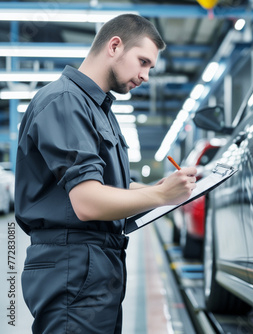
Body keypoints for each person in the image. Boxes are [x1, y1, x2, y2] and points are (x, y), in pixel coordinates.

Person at [15, 14, 197, 334]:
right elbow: (87, 201)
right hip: (72, 265)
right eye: (142, 62)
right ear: (115, 46)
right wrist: (160, 196)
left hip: (96, 266)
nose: (145, 76)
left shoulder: (99, 110)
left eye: (150, 68)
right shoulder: (65, 102)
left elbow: (114, 186)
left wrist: (164, 187)